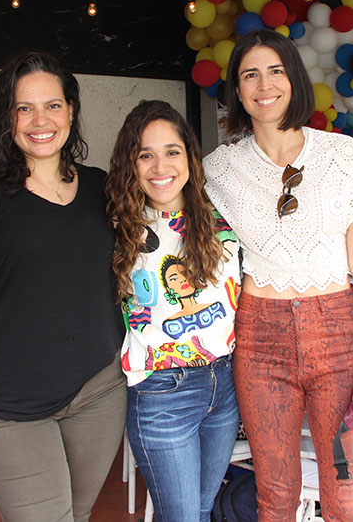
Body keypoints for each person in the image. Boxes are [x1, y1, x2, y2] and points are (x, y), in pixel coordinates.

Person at [204, 29, 353, 522]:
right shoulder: (218, 170)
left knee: (347, 498)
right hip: (259, 338)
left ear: (294, 79)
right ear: (237, 89)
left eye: (276, 71)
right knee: (275, 495)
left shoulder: (342, 156)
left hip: (338, 335)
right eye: (250, 75)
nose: (264, 85)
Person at [0, 52, 126, 522]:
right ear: (6, 117)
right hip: (11, 405)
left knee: (77, 516)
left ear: (71, 111)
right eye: (24, 108)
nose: (40, 121)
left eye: (53, 105)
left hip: (98, 391)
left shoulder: (100, 188)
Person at [106, 100, 241, 522]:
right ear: (130, 164)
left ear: (189, 157)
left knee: (201, 509)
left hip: (224, 385)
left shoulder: (221, 217)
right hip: (162, 392)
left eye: (171, 151)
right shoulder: (118, 226)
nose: (160, 166)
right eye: (145, 155)